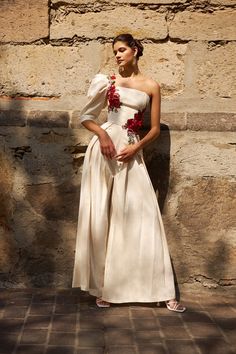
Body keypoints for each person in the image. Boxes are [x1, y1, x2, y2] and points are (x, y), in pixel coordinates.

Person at [72, 33, 186, 312]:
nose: (118, 55)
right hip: (105, 151)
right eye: (115, 51)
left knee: (144, 214)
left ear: (135, 50)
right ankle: (106, 287)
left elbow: (155, 129)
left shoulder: (151, 86)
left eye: (122, 50)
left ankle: (162, 289)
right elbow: (86, 118)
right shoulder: (106, 81)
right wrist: (103, 136)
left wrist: (136, 149)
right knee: (104, 216)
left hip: (132, 150)